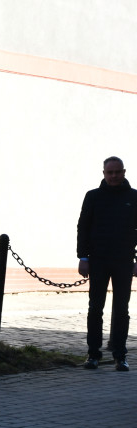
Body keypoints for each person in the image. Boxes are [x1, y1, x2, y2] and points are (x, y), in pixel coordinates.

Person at [77, 156, 137, 372]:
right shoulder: (93, 196)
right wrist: (83, 258)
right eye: (110, 172)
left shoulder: (134, 197)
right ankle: (93, 354)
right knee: (95, 308)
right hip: (98, 261)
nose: (113, 176)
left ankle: (120, 356)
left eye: (117, 172)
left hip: (123, 261)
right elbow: (83, 227)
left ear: (124, 172)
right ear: (103, 173)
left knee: (121, 309)